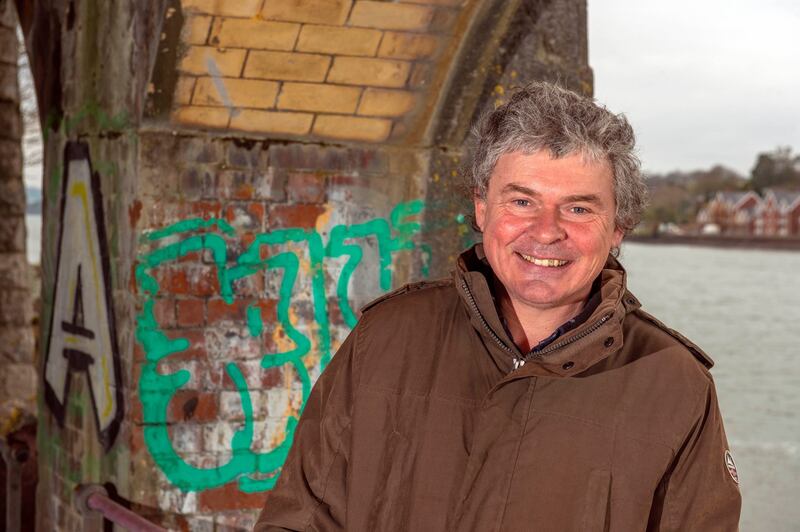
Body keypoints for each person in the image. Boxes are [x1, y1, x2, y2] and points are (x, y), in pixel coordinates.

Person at [254, 82, 742, 531]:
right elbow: (300, 518)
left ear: (617, 228)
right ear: (483, 210)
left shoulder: (675, 385)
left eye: (578, 208)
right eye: (522, 201)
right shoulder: (387, 337)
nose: (548, 230)